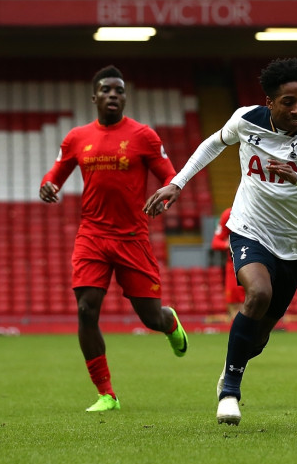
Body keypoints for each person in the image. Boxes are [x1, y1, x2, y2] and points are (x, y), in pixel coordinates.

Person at [144, 57, 297, 425]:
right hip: (249, 227)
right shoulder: (246, 119)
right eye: (288, 102)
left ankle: (231, 364)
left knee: (258, 339)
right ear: (269, 102)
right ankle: (230, 393)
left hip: (296, 243)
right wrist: (177, 183)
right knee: (257, 294)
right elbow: (212, 143)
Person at [39, 64, 188, 413]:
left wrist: (169, 192)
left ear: (125, 97)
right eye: (106, 90)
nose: (112, 95)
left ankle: (170, 323)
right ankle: (106, 394)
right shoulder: (76, 137)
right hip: (91, 234)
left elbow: (169, 175)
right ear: (95, 97)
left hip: (132, 237)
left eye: (119, 90)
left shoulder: (144, 136)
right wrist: (49, 185)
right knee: (86, 309)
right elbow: (56, 172)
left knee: (150, 318)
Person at [210, 206, 245, 321]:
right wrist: (229, 245)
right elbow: (216, 242)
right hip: (234, 266)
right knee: (235, 307)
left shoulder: (261, 212)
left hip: (259, 264)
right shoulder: (229, 214)